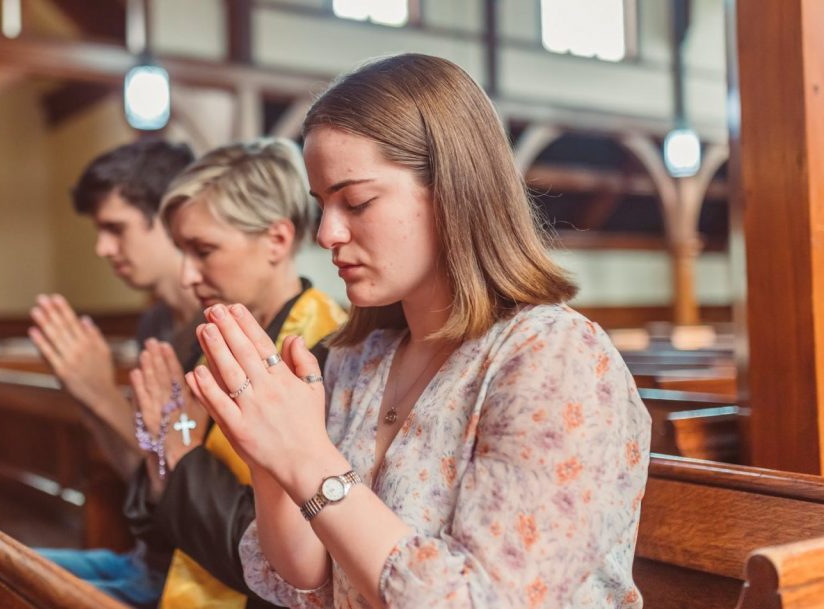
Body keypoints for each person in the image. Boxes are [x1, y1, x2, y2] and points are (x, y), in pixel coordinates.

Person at [185, 54, 653, 609]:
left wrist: (307, 459)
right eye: (323, 206)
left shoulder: (553, 357)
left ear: (454, 190)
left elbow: (484, 601)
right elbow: (307, 580)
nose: (329, 233)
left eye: (356, 201)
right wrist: (269, 457)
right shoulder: (362, 357)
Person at [123, 136, 347, 609]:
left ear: (277, 239)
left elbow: (284, 563)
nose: (186, 275)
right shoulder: (205, 340)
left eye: (203, 250)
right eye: (182, 251)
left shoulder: (328, 351)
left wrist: (179, 457)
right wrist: (159, 447)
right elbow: (151, 517)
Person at [28, 139, 198, 608]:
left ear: (169, 219)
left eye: (115, 228)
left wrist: (102, 393)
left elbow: (183, 487)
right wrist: (84, 394)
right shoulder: (156, 323)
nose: (102, 247)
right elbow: (139, 473)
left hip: (188, 580)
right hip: (141, 559)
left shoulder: (219, 327)